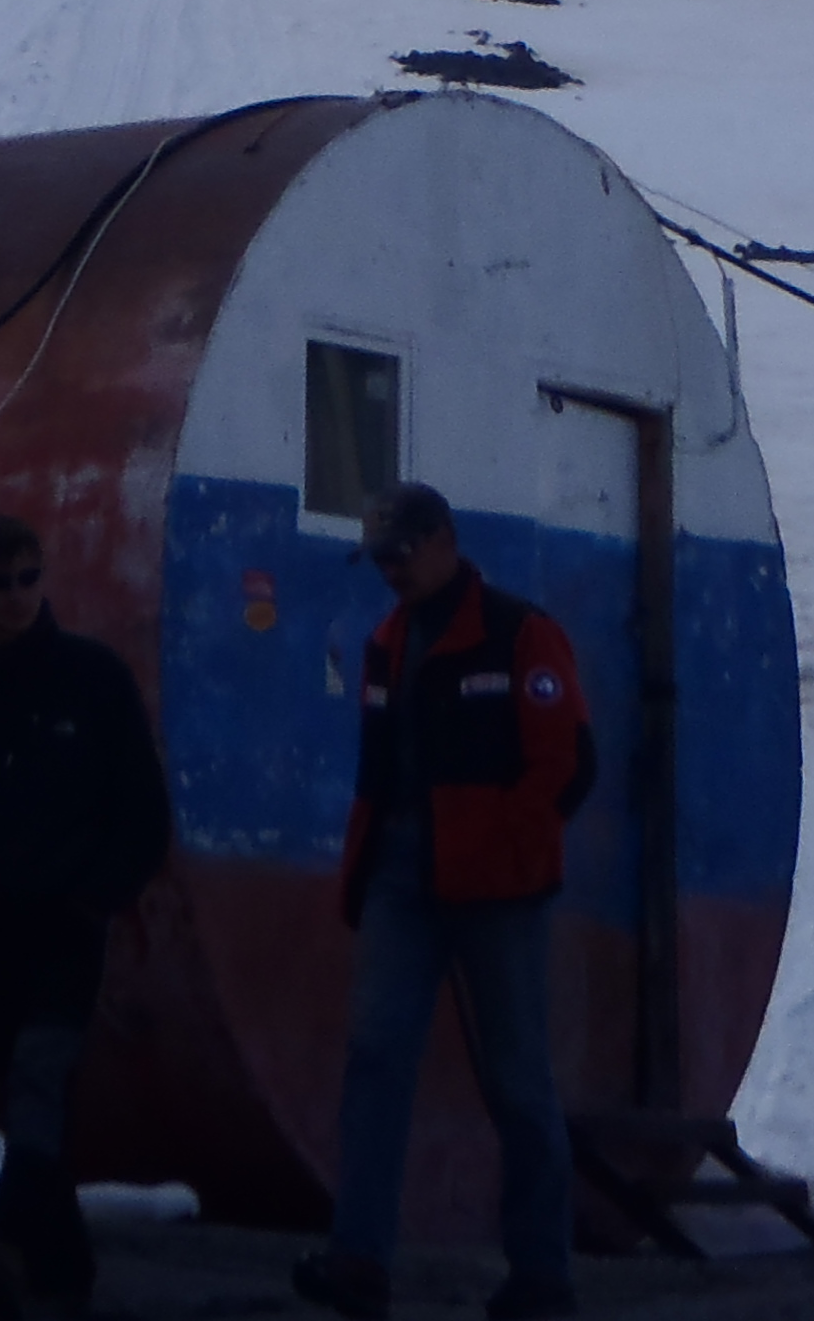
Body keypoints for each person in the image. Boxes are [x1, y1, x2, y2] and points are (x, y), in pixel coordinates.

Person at [291, 483, 595, 1321]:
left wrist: (503, 846)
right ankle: (359, 1260)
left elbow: (567, 763)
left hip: (497, 893)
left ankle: (542, 1275)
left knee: (517, 1081)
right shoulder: (389, 645)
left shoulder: (519, 634)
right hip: (403, 879)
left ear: (444, 542)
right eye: (380, 558)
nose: (390, 571)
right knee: (377, 1058)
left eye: (401, 553)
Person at [0, 513, 174, 1320]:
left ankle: (5, 1246)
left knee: (38, 1076)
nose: (19, 596)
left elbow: (142, 809)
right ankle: (63, 1268)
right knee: (21, 1093)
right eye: (0, 582)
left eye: (29, 577)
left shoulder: (94, 679)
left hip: (64, 924)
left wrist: (99, 894)